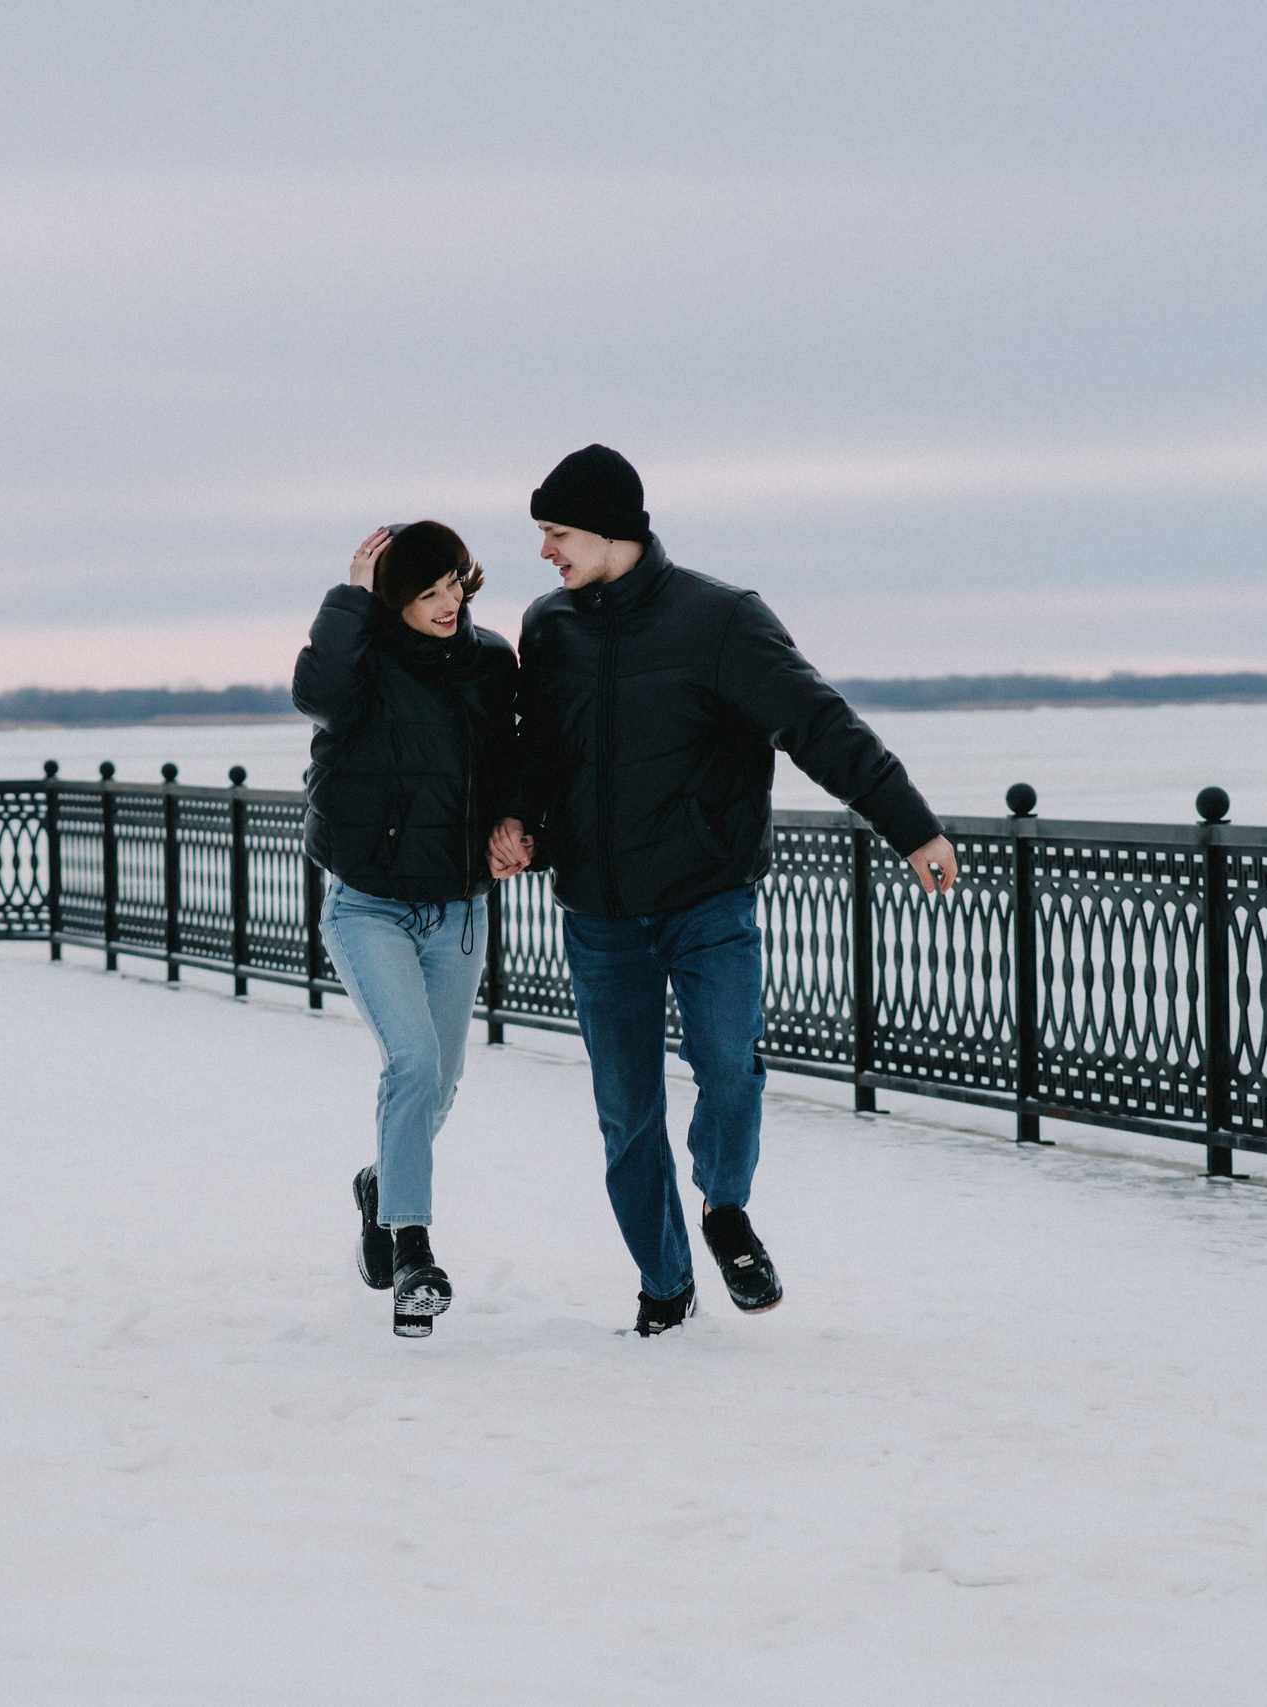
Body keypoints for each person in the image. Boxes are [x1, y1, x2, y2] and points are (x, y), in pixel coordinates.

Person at [505, 445, 959, 1336]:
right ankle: (664, 1286)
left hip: (707, 900)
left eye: (557, 532)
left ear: (610, 528)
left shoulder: (718, 619)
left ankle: (725, 1209)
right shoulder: (546, 626)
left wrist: (910, 824)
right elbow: (536, 751)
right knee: (627, 1116)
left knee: (729, 1068)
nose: (547, 551)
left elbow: (817, 724)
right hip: (597, 912)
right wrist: (518, 819)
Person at [294, 521, 530, 1338]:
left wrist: (516, 822)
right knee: (414, 1061)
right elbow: (315, 693)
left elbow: (513, 762)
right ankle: (414, 1254)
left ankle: (380, 1184)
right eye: (425, 592)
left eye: (455, 585)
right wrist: (347, 599)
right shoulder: (360, 662)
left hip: (459, 908)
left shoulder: (493, 661)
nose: (446, 604)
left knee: (442, 1080)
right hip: (369, 906)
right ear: (393, 600)